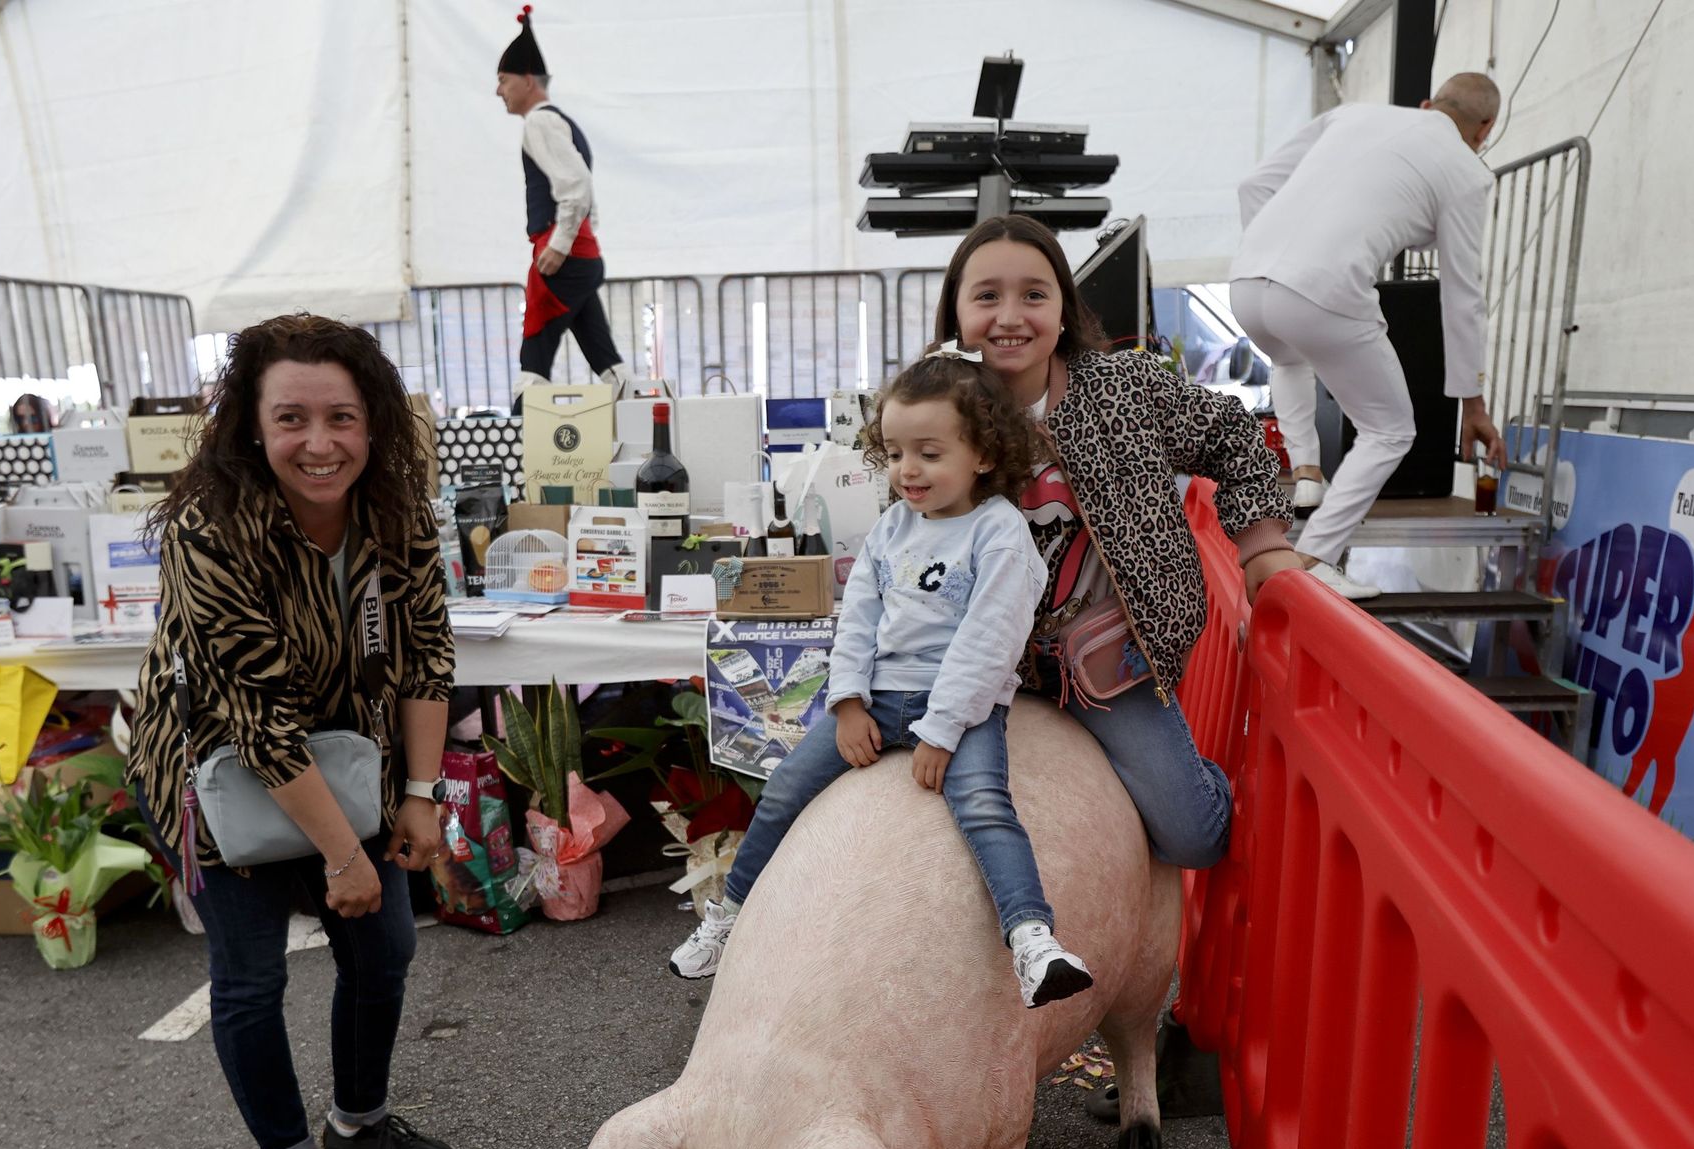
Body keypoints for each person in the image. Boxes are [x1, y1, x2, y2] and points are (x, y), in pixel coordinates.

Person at [127, 314, 459, 1149]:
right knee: (248, 977)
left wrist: (423, 794)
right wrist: (344, 855)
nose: (320, 444)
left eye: (343, 418)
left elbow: (429, 657)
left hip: (351, 772)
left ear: (374, 424)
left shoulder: (398, 516)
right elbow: (258, 718)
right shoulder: (211, 532)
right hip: (218, 777)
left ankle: (355, 1129)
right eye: (292, 419)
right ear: (251, 425)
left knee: (384, 950)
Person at [667, 347, 1094, 1007]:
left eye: (928, 452)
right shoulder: (892, 526)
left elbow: (988, 643)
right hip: (876, 701)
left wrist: (943, 730)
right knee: (782, 792)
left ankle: (1033, 941)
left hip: (962, 711)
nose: (907, 470)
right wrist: (845, 704)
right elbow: (858, 617)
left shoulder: (999, 534)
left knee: (984, 808)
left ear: (982, 453)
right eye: (894, 453)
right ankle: (728, 918)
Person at [933, 214, 1298, 873]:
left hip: (1102, 665)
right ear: (955, 310)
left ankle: (1198, 775)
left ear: (1064, 309)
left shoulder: (1123, 389)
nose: (1009, 316)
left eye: (1033, 295)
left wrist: (1261, 544)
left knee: (1195, 837)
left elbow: (1239, 440)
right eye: (986, 296)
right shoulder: (936, 406)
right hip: (977, 664)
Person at [1230, 73, 1507, 601]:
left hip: (1246, 281)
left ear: (1428, 104)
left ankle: (1307, 469)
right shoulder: (1468, 171)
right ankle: (1310, 561)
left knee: (1289, 360)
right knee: (1389, 430)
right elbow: (1462, 293)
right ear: (1484, 128)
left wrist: (1265, 253)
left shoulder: (1352, 113)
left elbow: (1253, 186)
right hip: (1322, 288)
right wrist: (1473, 403)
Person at [493, 6, 630, 398]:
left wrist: (559, 244)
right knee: (604, 358)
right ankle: (646, 418)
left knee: (534, 352)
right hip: (578, 257)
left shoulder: (540, 121)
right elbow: (584, 192)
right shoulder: (561, 122)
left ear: (528, 81)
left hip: (564, 258)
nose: (498, 91)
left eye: (503, 80)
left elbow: (576, 186)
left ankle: (515, 445)